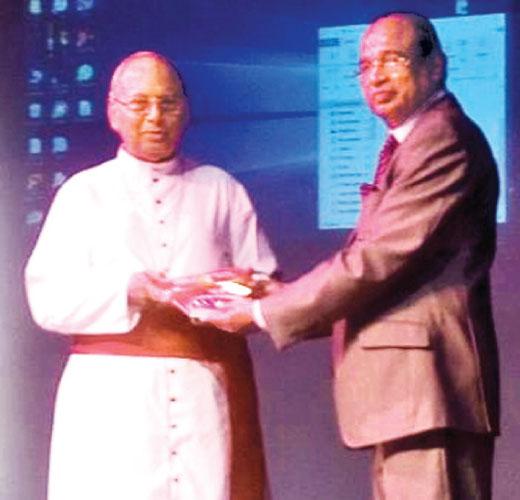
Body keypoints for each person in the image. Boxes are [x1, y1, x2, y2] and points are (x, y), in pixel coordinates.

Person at [207, 12, 500, 499]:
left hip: (430, 393)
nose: (376, 76)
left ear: (436, 67)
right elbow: (386, 268)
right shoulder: (413, 142)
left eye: (392, 60)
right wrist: (285, 293)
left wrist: (262, 311)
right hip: (412, 399)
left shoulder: (442, 139)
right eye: (365, 66)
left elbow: (375, 261)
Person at [25, 51, 277, 500]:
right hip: (111, 397)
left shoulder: (221, 188)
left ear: (186, 108)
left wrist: (232, 290)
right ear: (113, 111)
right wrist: (131, 292)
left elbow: (263, 280)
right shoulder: (83, 193)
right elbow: (49, 299)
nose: (155, 117)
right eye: (140, 104)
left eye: (168, 103)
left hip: (202, 386)